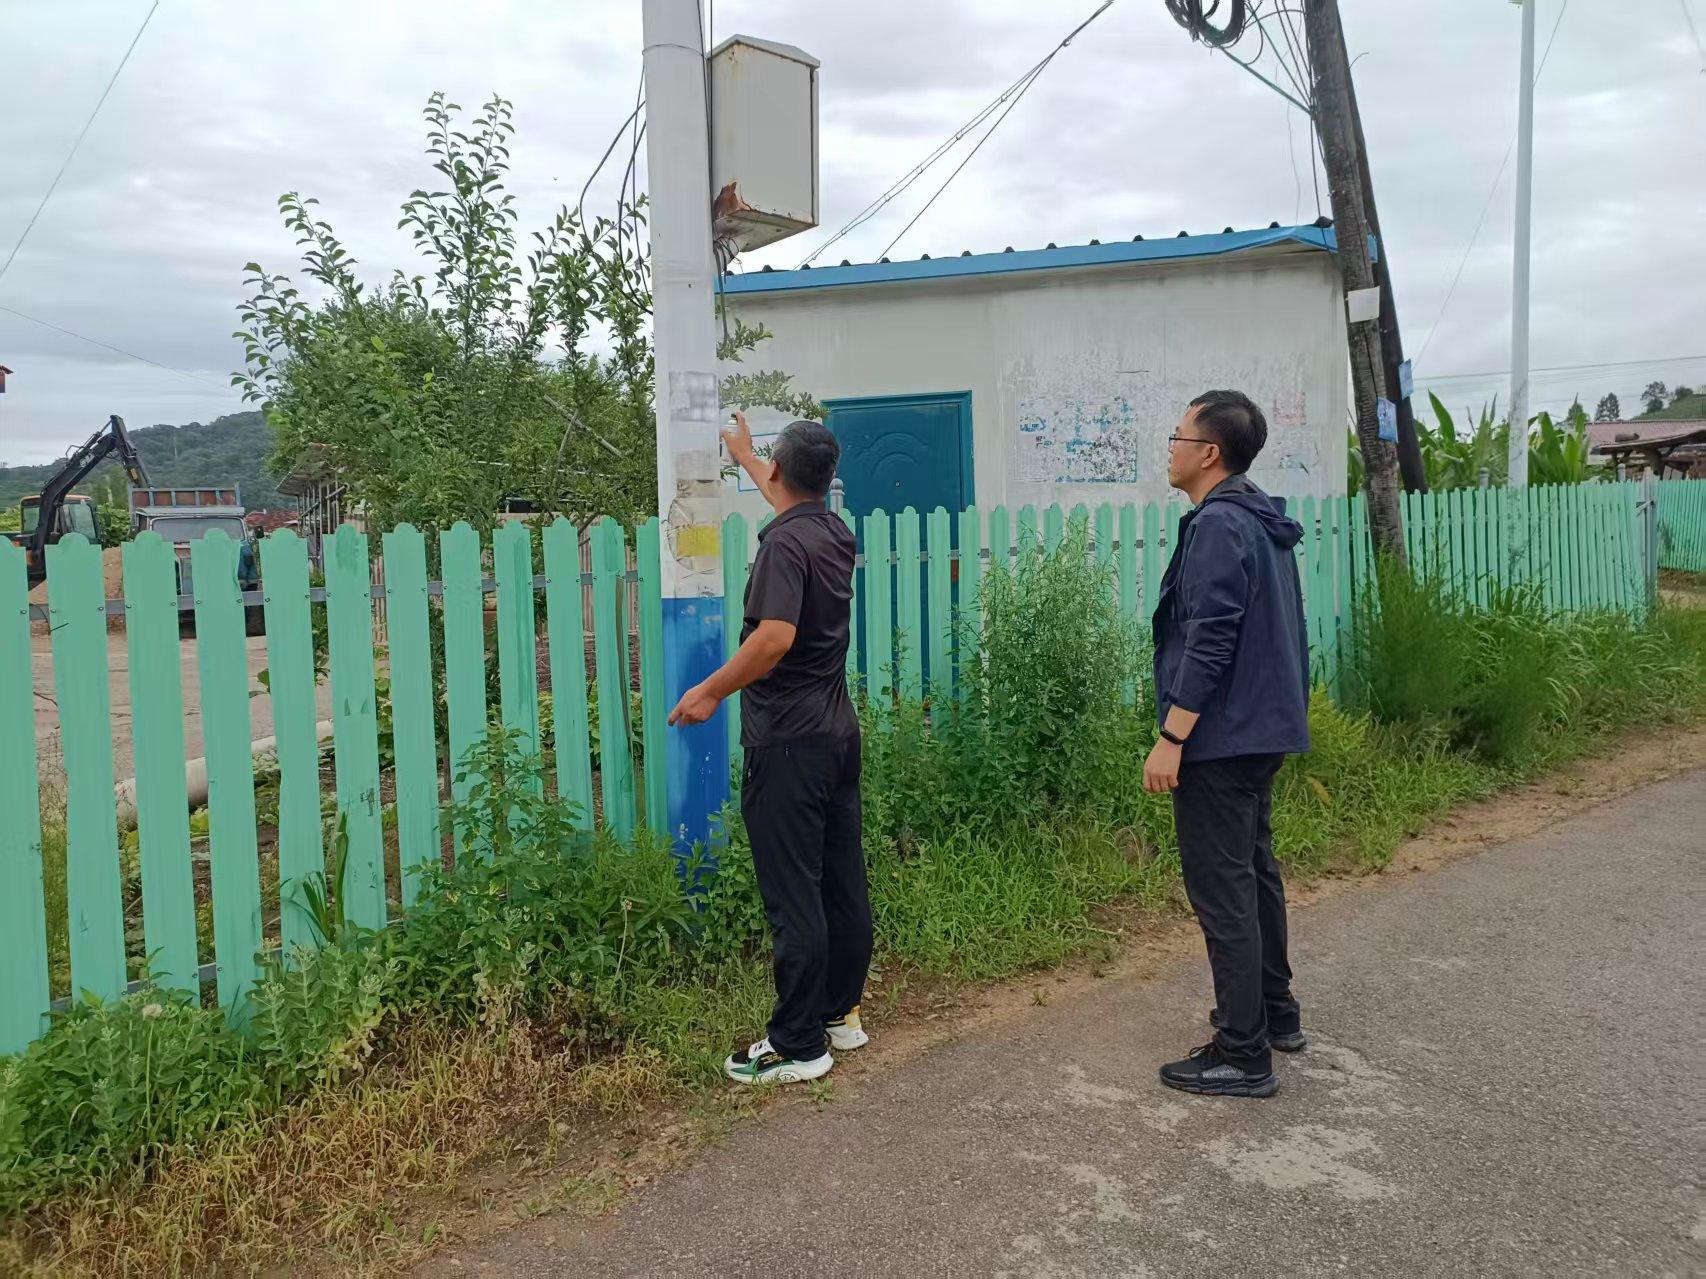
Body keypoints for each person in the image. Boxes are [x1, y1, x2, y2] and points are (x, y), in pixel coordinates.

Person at [668, 411, 873, 1086]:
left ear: (783, 471)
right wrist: (745, 452)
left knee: (794, 892)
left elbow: (774, 637)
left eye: (768, 467)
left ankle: (797, 1043)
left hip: (789, 742)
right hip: (837, 734)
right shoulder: (831, 530)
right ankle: (840, 1013)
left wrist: (709, 692)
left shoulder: (784, 546)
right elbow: (785, 492)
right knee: (840, 880)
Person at [1145, 389, 1311, 1099]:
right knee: (1254, 870)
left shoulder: (1218, 524)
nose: (1170, 448)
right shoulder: (1259, 518)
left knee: (1223, 888)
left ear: (1208, 452)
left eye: (1178, 436)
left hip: (1222, 733)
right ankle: (1276, 1013)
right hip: (1262, 726)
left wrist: (1171, 735)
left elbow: (1209, 639)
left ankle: (1243, 1052)